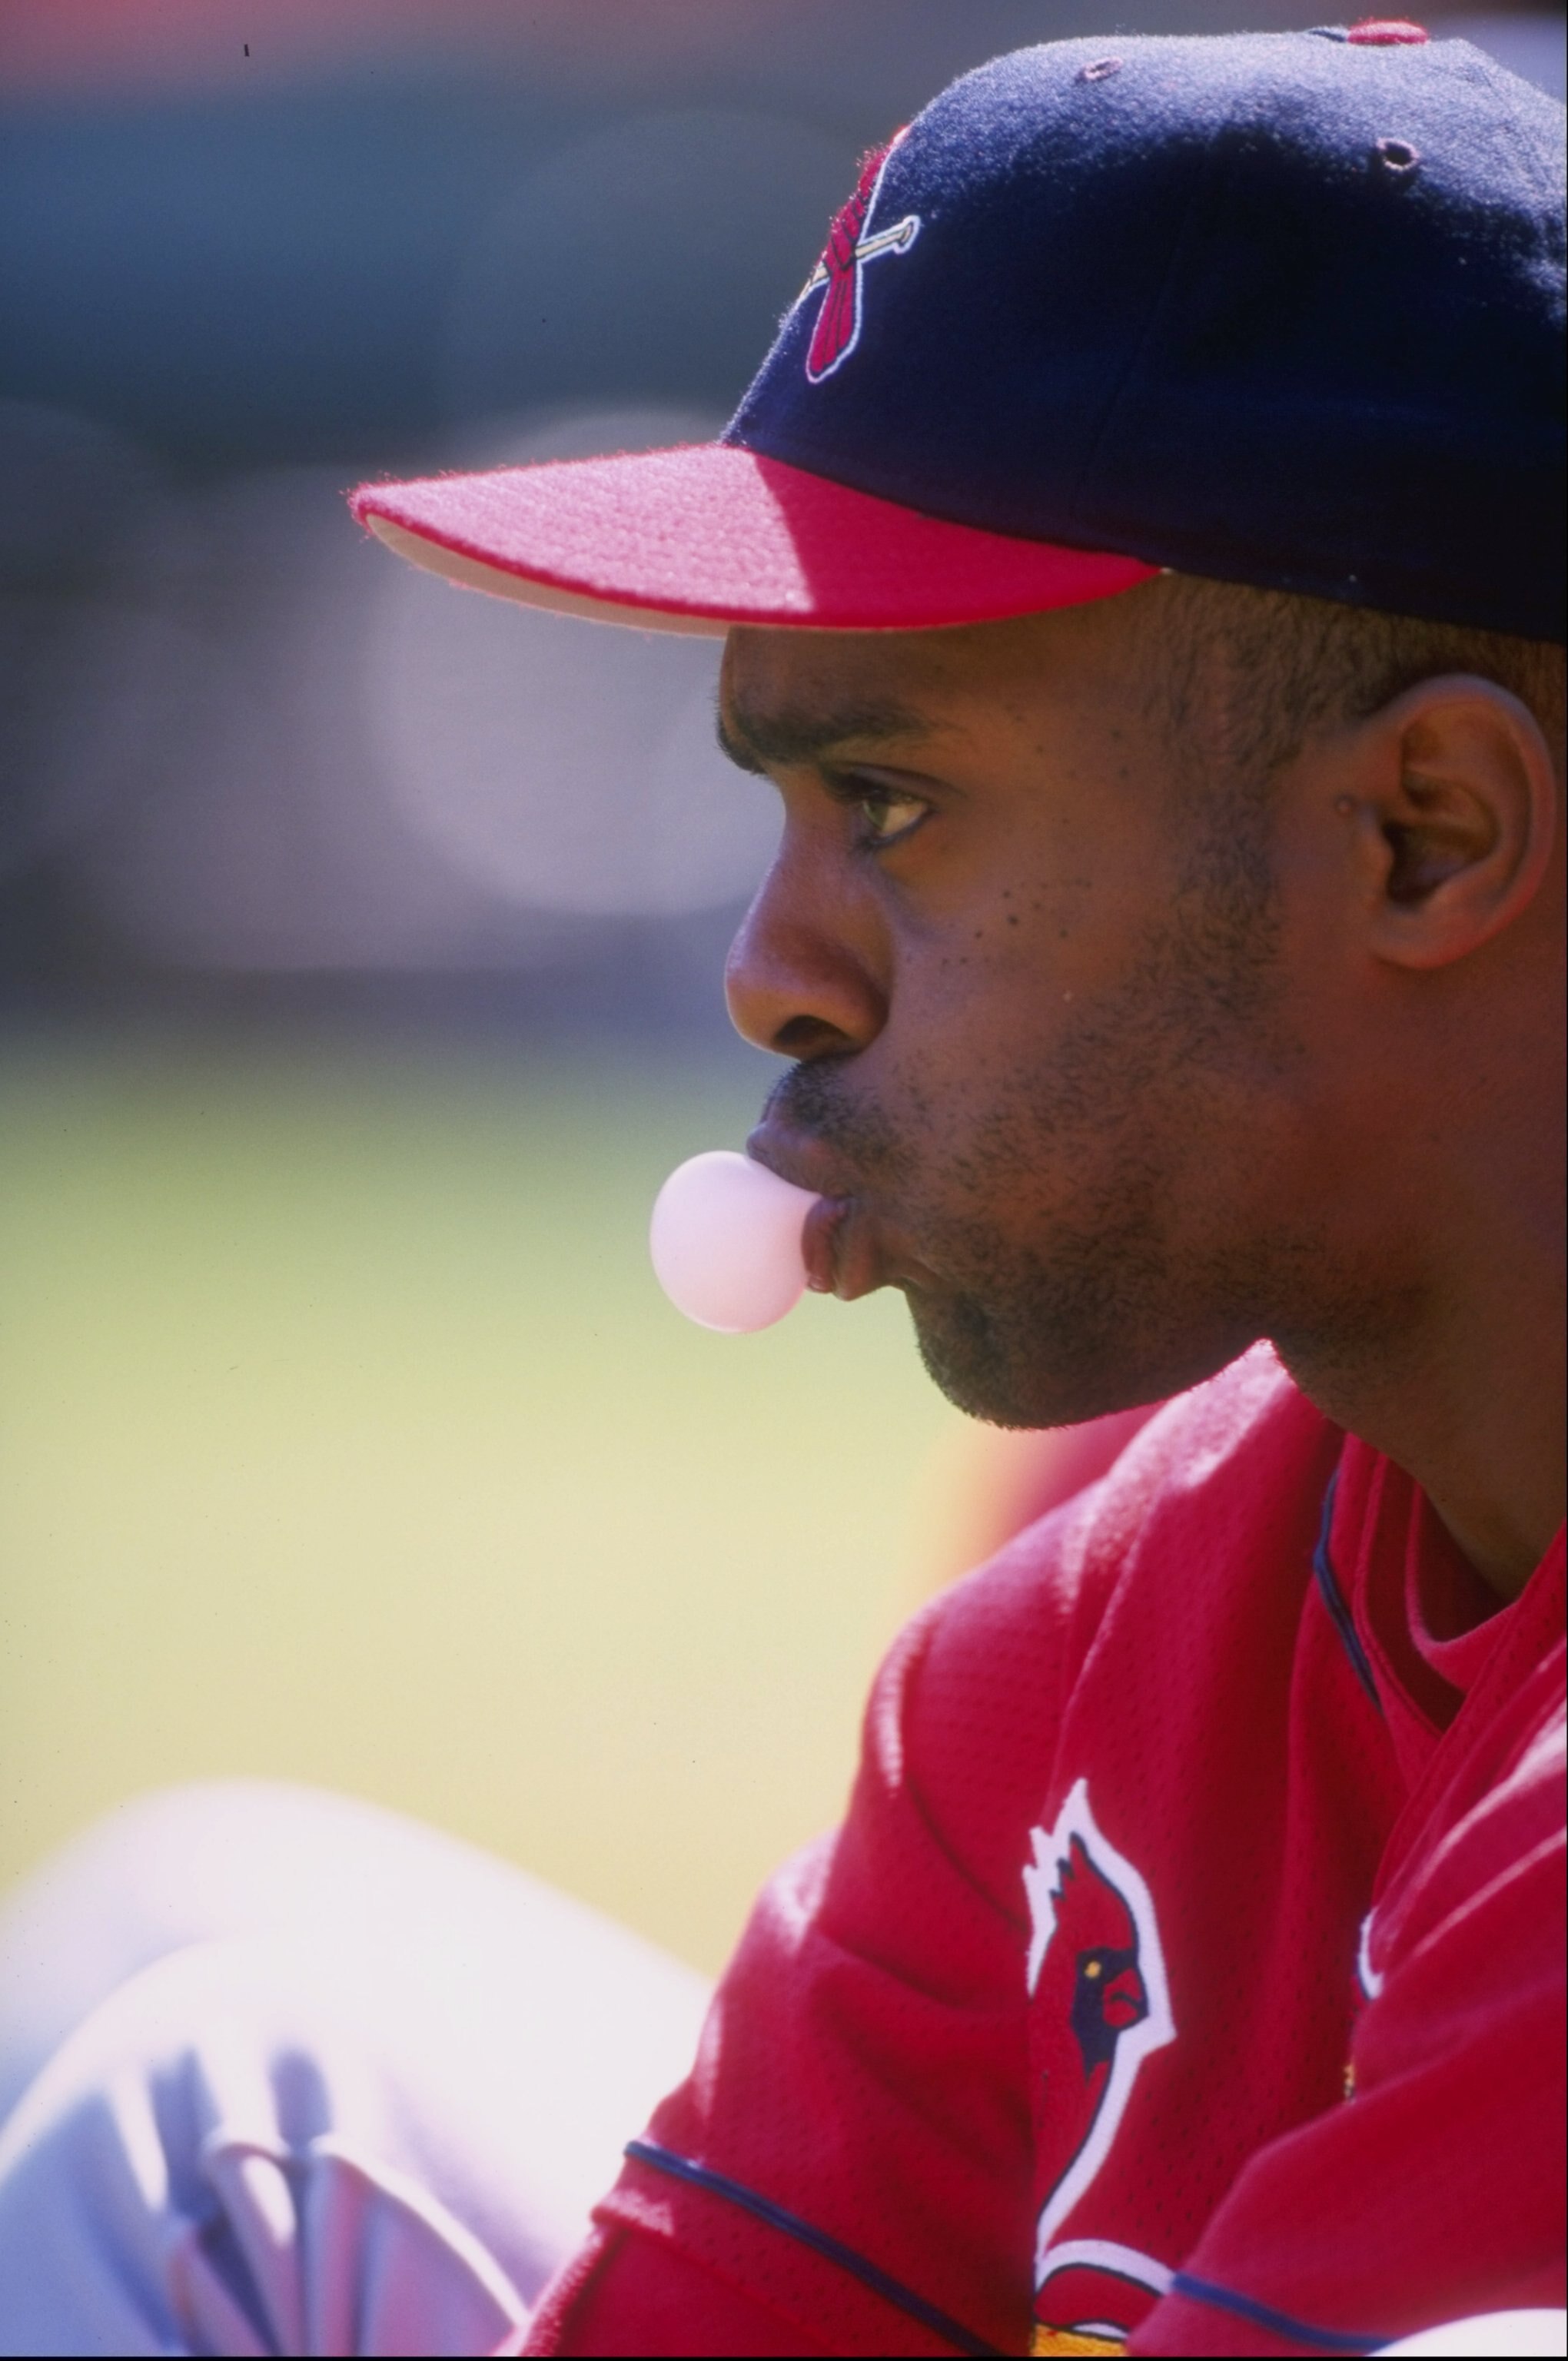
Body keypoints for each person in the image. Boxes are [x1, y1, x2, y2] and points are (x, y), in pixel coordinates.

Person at [1, 23, 1562, 2358]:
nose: (768, 973)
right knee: (218, 2096)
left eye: (893, 803)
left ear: (1424, 830)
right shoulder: (1072, 1657)